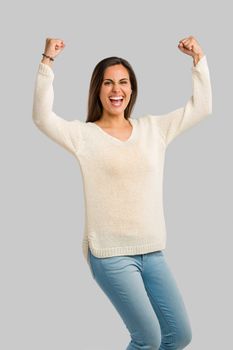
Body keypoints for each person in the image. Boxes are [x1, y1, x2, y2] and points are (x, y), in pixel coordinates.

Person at [32, 36, 212, 350]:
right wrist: (47, 62)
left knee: (179, 335)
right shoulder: (85, 136)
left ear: (132, 89)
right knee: (148, 339)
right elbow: (42, 117)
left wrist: (199, 59)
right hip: (109, 253)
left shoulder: (153, 130)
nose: (117, 90)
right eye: (108, 83)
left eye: (123, 82)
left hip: (153, 251)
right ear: (97, 90)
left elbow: (202, 108)